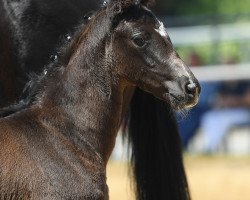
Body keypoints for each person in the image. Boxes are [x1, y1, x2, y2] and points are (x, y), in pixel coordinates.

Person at [200, 80, 250, 153]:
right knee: (209, 117)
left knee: (225, 120)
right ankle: (210, 148)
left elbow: (248, 100)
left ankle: (210, 149)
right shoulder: (223, 82)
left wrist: (234, 101)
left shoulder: (244, 80)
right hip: (226, 111)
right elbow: (217, 98)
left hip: (244, 111)